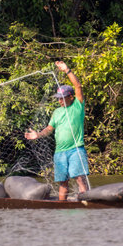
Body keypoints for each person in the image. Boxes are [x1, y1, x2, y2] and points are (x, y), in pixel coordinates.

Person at [25, 61, 89, 200]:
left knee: (79, 178)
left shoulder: (77, 106)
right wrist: (38, 134)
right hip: (60, 152)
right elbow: (49, 128)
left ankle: (87, 204)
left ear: (70, 97)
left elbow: (77, 86)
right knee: (63, 182)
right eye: (58, 99)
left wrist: (67, 70)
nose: (60, 101)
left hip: (76, 149)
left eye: (62, 98)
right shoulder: (57, 112)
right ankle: (61, 206)